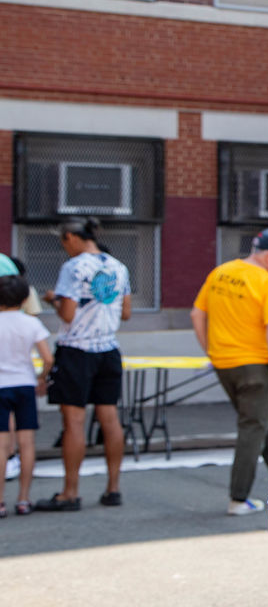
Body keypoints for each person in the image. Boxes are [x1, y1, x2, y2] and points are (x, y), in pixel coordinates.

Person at [191, 227, 268, 515]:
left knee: (260, 425)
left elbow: (197, 314)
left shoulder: (220, 273)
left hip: (225, 364)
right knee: (253, 428)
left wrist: (211, 350)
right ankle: (238, 499)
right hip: (257, 366)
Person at [36, 217, 133, 512]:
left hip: (76, 350)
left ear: (71, 238)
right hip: (108, 348)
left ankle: (70, 492)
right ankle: (113, 488)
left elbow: (67, 314)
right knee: (110, 419)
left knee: (74, 422)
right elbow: (126, 312)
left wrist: (54, 299)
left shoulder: (73, 266)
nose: (65, 248)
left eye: (64, 242)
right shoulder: (119, 266)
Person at [0, 275, 53, 517]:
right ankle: (24, 499)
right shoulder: (30, 323)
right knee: (26, 443)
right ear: (24, 299)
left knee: (1, 447)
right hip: (24, 384)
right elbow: (48, 358)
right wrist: (42, 378)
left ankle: (0, 501)